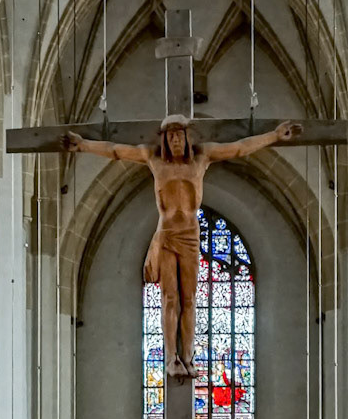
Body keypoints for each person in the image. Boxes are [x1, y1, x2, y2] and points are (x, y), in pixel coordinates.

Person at [66, 113, 298, 377]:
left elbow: (239, 148)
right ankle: (170, 358)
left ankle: (188, 357)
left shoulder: (202, 158)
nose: (175, 140)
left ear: (188, 137)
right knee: (169, 297)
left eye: (179, 135)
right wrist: (83, 145)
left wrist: (274, 136)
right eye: (170, 136)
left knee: (189, 298)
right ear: (164, 139)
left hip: (190, 235)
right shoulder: (153, 159)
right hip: (166, 234)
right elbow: (116, 150)